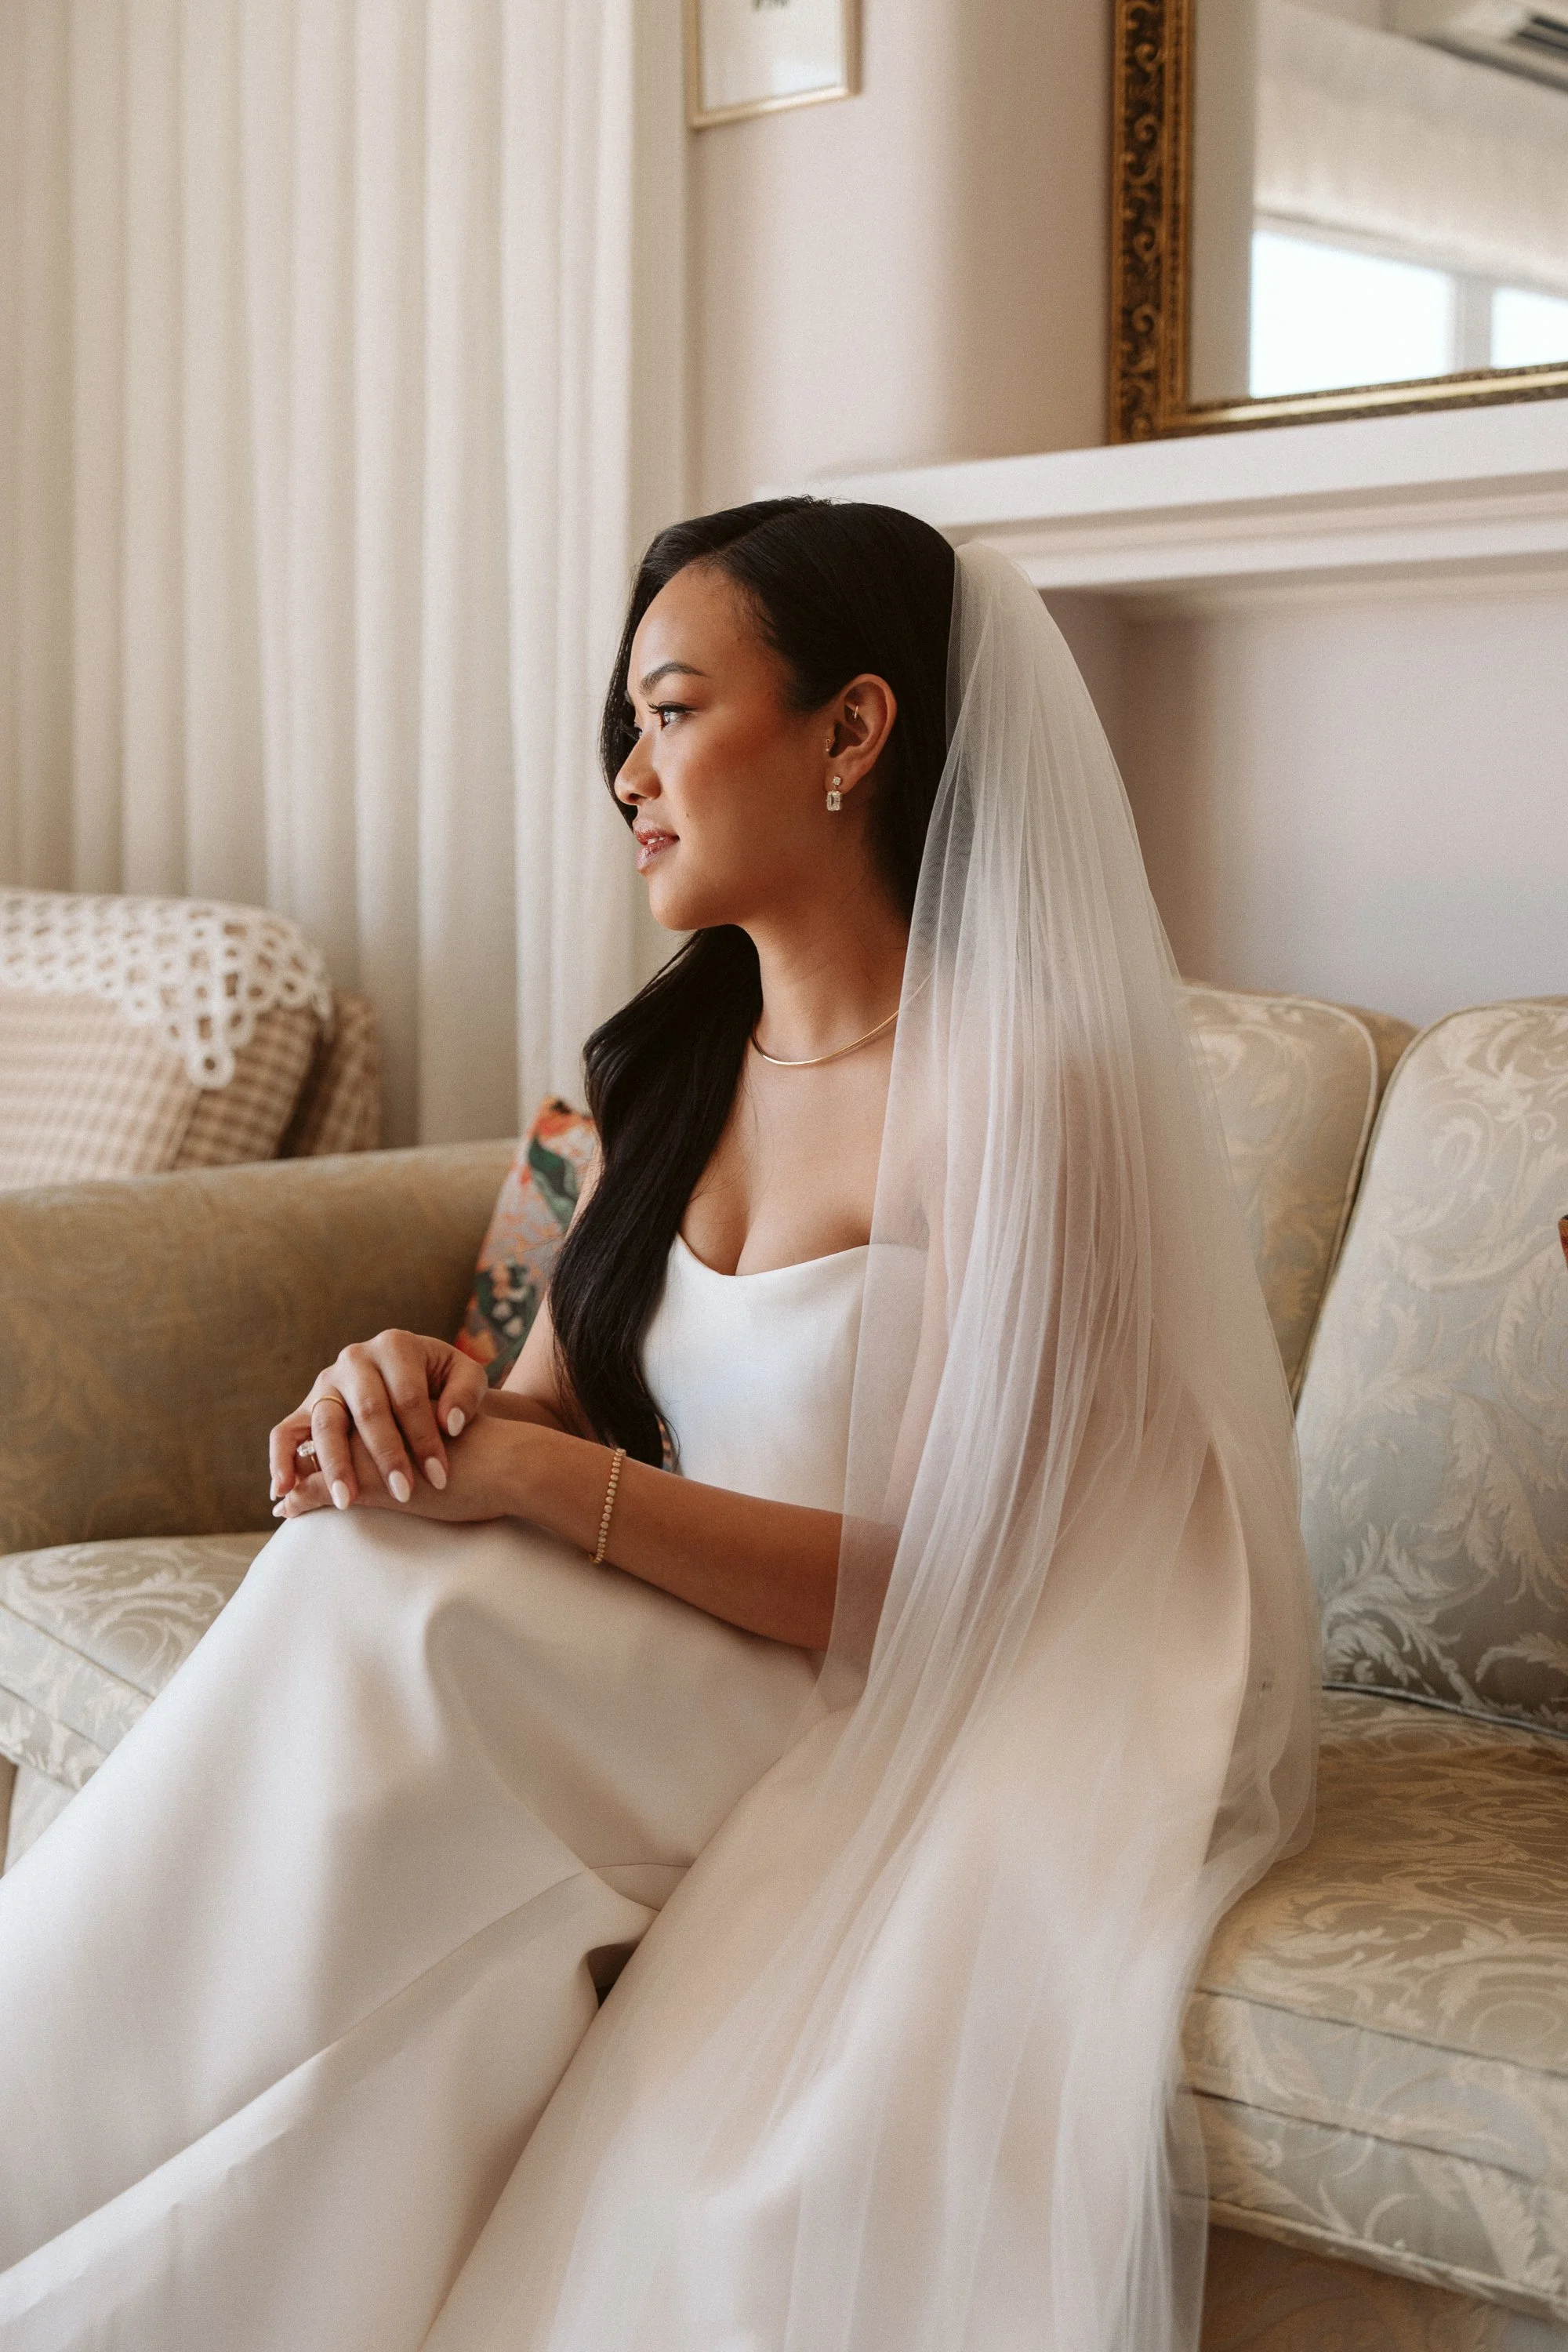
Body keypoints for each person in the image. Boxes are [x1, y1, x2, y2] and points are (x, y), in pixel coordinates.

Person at [0, 499, 1317, 2351]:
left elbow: (949, 1595)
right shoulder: (666, 1073)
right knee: (367, 1563)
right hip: (674, 1652)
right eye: (624, 726)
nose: (628, 772)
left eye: (675, 711)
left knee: (402, 1616)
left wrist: (534, 1479)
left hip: (877, 1691)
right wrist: (407, 1399)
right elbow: (523, 1414)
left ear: (852, 733)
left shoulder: (1017, 1096)